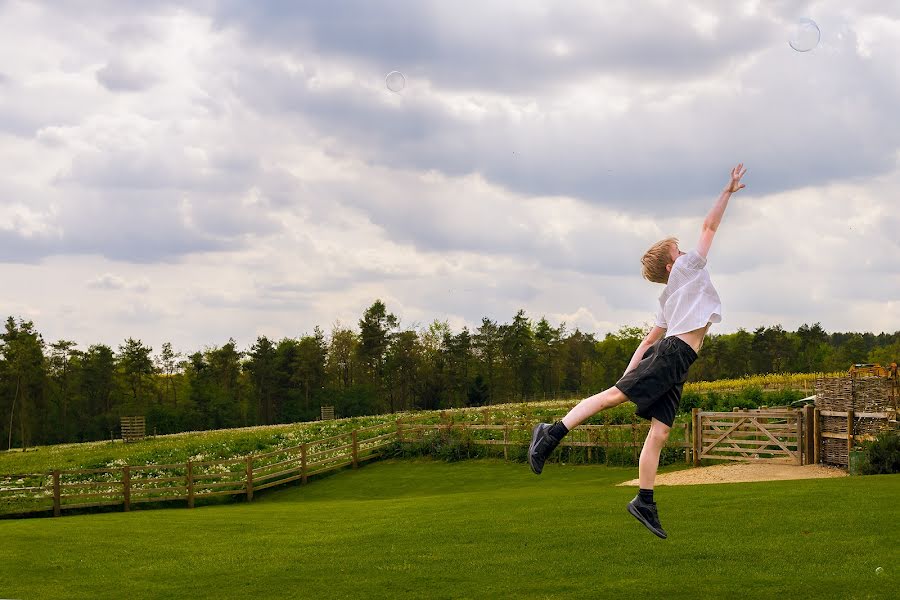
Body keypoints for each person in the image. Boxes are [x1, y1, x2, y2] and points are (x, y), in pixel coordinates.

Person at [527, 163, 748, 539]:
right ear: (671, 262)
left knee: (659, 433)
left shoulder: (667, 298)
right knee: (612, 397)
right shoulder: (688, 268)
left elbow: (647, 342)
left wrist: (630, 372)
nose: (686, 252)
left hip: (678, 360)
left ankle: (644, 500)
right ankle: (548, 436)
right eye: (679, 250)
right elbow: (709, 227)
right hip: (674, 354)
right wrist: (726, 193)